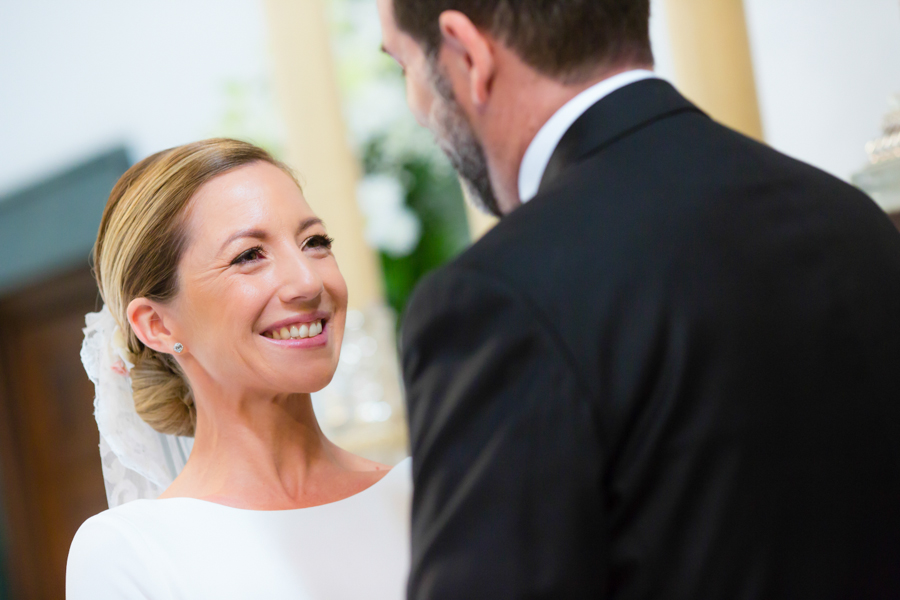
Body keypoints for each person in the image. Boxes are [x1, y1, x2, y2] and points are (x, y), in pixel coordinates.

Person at [378, 0, 900, 598]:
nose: (417, 109)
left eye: (404, 66)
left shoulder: (495, 297)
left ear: (467, 52)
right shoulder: (850, 215)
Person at [66, 139, 411, 599]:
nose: (308, 281)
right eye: (249, 255)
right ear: (157, 324)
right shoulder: (132, 552)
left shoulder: (423, 495)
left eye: (315, 242)